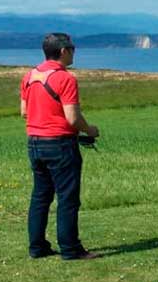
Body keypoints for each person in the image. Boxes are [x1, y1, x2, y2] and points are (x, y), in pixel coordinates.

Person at [20, 33, 101, 260]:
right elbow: (72, 117)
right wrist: (90, 130)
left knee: (40, 196)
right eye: (73, 48)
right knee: (67, 198)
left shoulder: (29, 76)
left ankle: (37, 247)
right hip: (60, 144)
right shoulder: (65, 79)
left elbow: (24, 111)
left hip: (34, 142)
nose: (74, 52)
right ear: (63, 51)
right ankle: (70, 248)